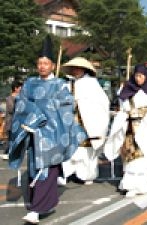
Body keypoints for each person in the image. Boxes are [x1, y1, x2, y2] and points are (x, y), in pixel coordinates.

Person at [8, 35, 86, 224]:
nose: (42, 66)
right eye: (39, 63)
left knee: (45, 170)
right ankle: (44, 202)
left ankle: (37, 209)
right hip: (33, 135)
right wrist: (34, 116)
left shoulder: (60, 85)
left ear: (52, 65)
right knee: (36, 169)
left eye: (46, 63)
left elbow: (67, 107)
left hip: (52, 134)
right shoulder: (30, 84)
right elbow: (21, 104)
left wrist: (45, 113)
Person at [104, 64, 147, 197]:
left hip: (144, 129)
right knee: (129, 157)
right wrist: (123, 117)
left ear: (146, 77)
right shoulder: (128, 89)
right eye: (136, 75)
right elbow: (123, 108)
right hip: (129, 128)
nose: (138, 79)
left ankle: (140, 186)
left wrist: (145, 125)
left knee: (141, 159)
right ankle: (128, 184)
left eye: (141, 76)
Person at [57, 57, 110, 185]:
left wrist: (82, 105)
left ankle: (86, 174)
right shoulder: (68, 83)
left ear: (84, 69)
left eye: (77, 68)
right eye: (73, 68)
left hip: (87, 122)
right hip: (71, 121)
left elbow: (101, 103)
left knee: (85, 150)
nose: (75, 71)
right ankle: (69, 172)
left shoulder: (91, 84)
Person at [0, 80, 23, 160]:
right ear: (16, 88)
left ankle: (11, 154)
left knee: (14, 139)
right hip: (11, 123)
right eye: (20, 87)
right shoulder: (9, 98)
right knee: (10, 139)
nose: (21, 89)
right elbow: (11, 109)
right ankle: (6, 153)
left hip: (17, 123)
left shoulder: (20, 98)